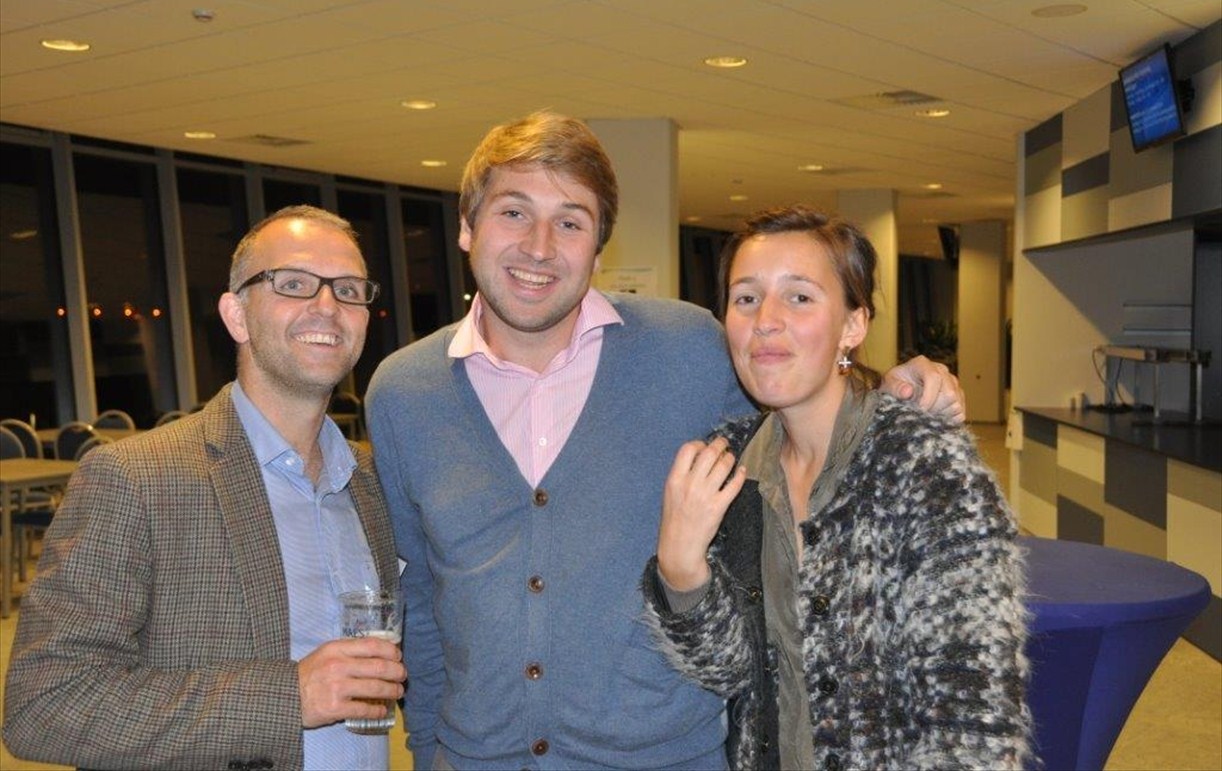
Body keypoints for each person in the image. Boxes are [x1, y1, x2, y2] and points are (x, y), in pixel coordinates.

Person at [365, 112, 964, 770]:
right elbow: (421, 601)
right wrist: (429, 749)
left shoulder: (688, 350)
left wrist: (892, 390)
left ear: (599, 249)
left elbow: (798, 408)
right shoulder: (403, 393)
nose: (539, 246)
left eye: (570, 222)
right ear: (466, 226)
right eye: (513, 213)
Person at [4, 206, 407, 771]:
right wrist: (289, 697)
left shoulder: (371, 481)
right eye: (293, 284)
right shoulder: (135, 479)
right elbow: (44, 705)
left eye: (348, 289)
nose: (327, 305)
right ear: (236, 315)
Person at [643, 206, 1032, 771]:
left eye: (799, 297)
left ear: (853, 325)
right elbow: (731, 674)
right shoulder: (729, 468)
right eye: (746, 298)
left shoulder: (923, 466)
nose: (765, 320)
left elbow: (974, 723)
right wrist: (681, 569)